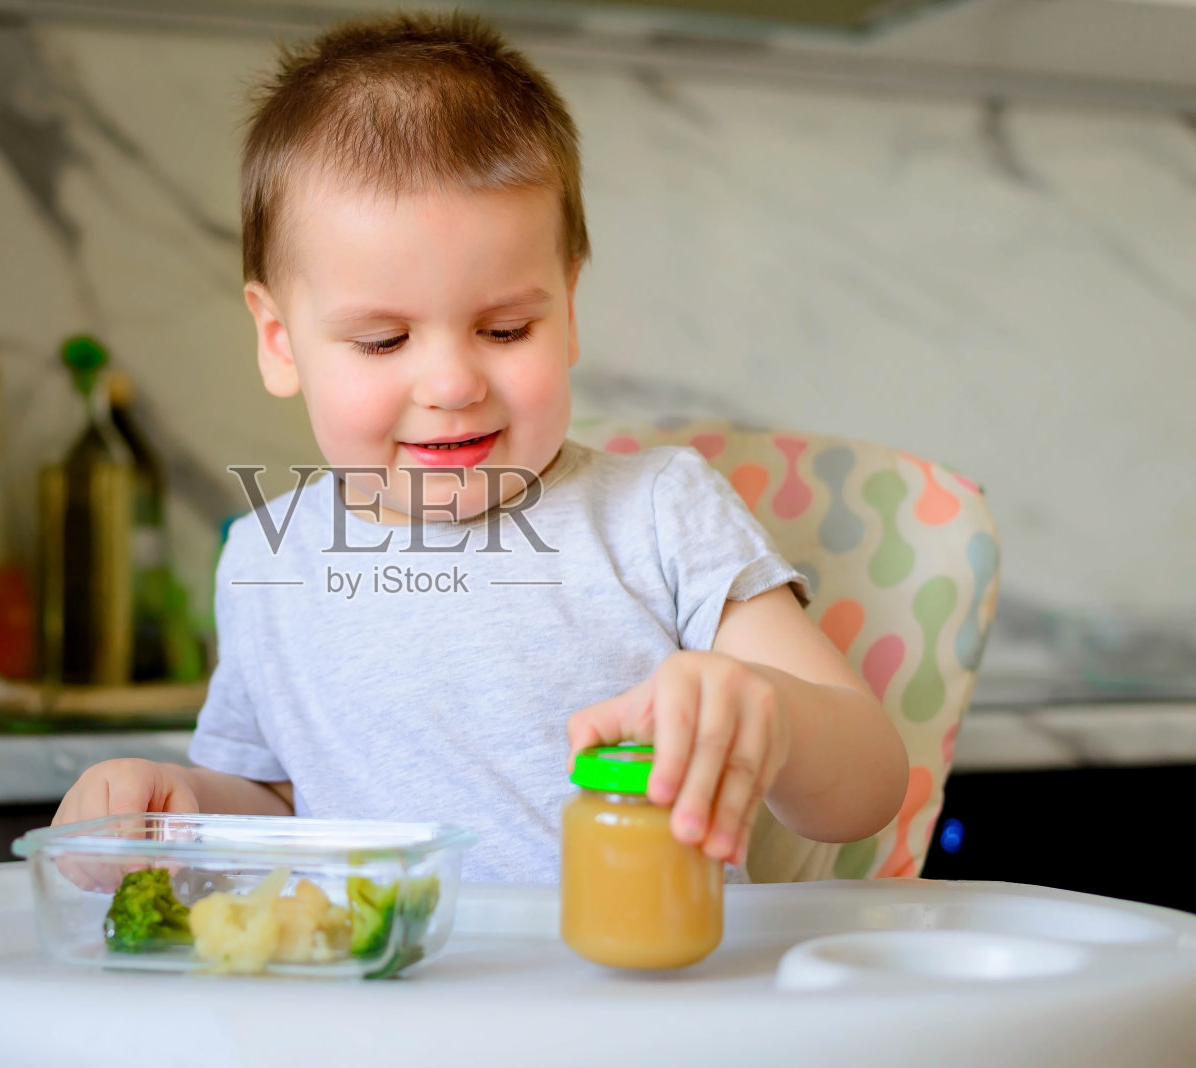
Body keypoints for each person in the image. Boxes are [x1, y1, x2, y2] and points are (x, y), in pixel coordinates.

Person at [53, 11, 908, 883]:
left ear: (567, 311)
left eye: (504, 329)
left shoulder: (659, 515)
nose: (454, 384)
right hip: (375, 1011)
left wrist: (774, 718)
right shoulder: (265, 563)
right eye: (384, 342)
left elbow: (869, 789)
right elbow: (281, 805)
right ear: (279, 341)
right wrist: (172, 809)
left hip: (630, 1006)